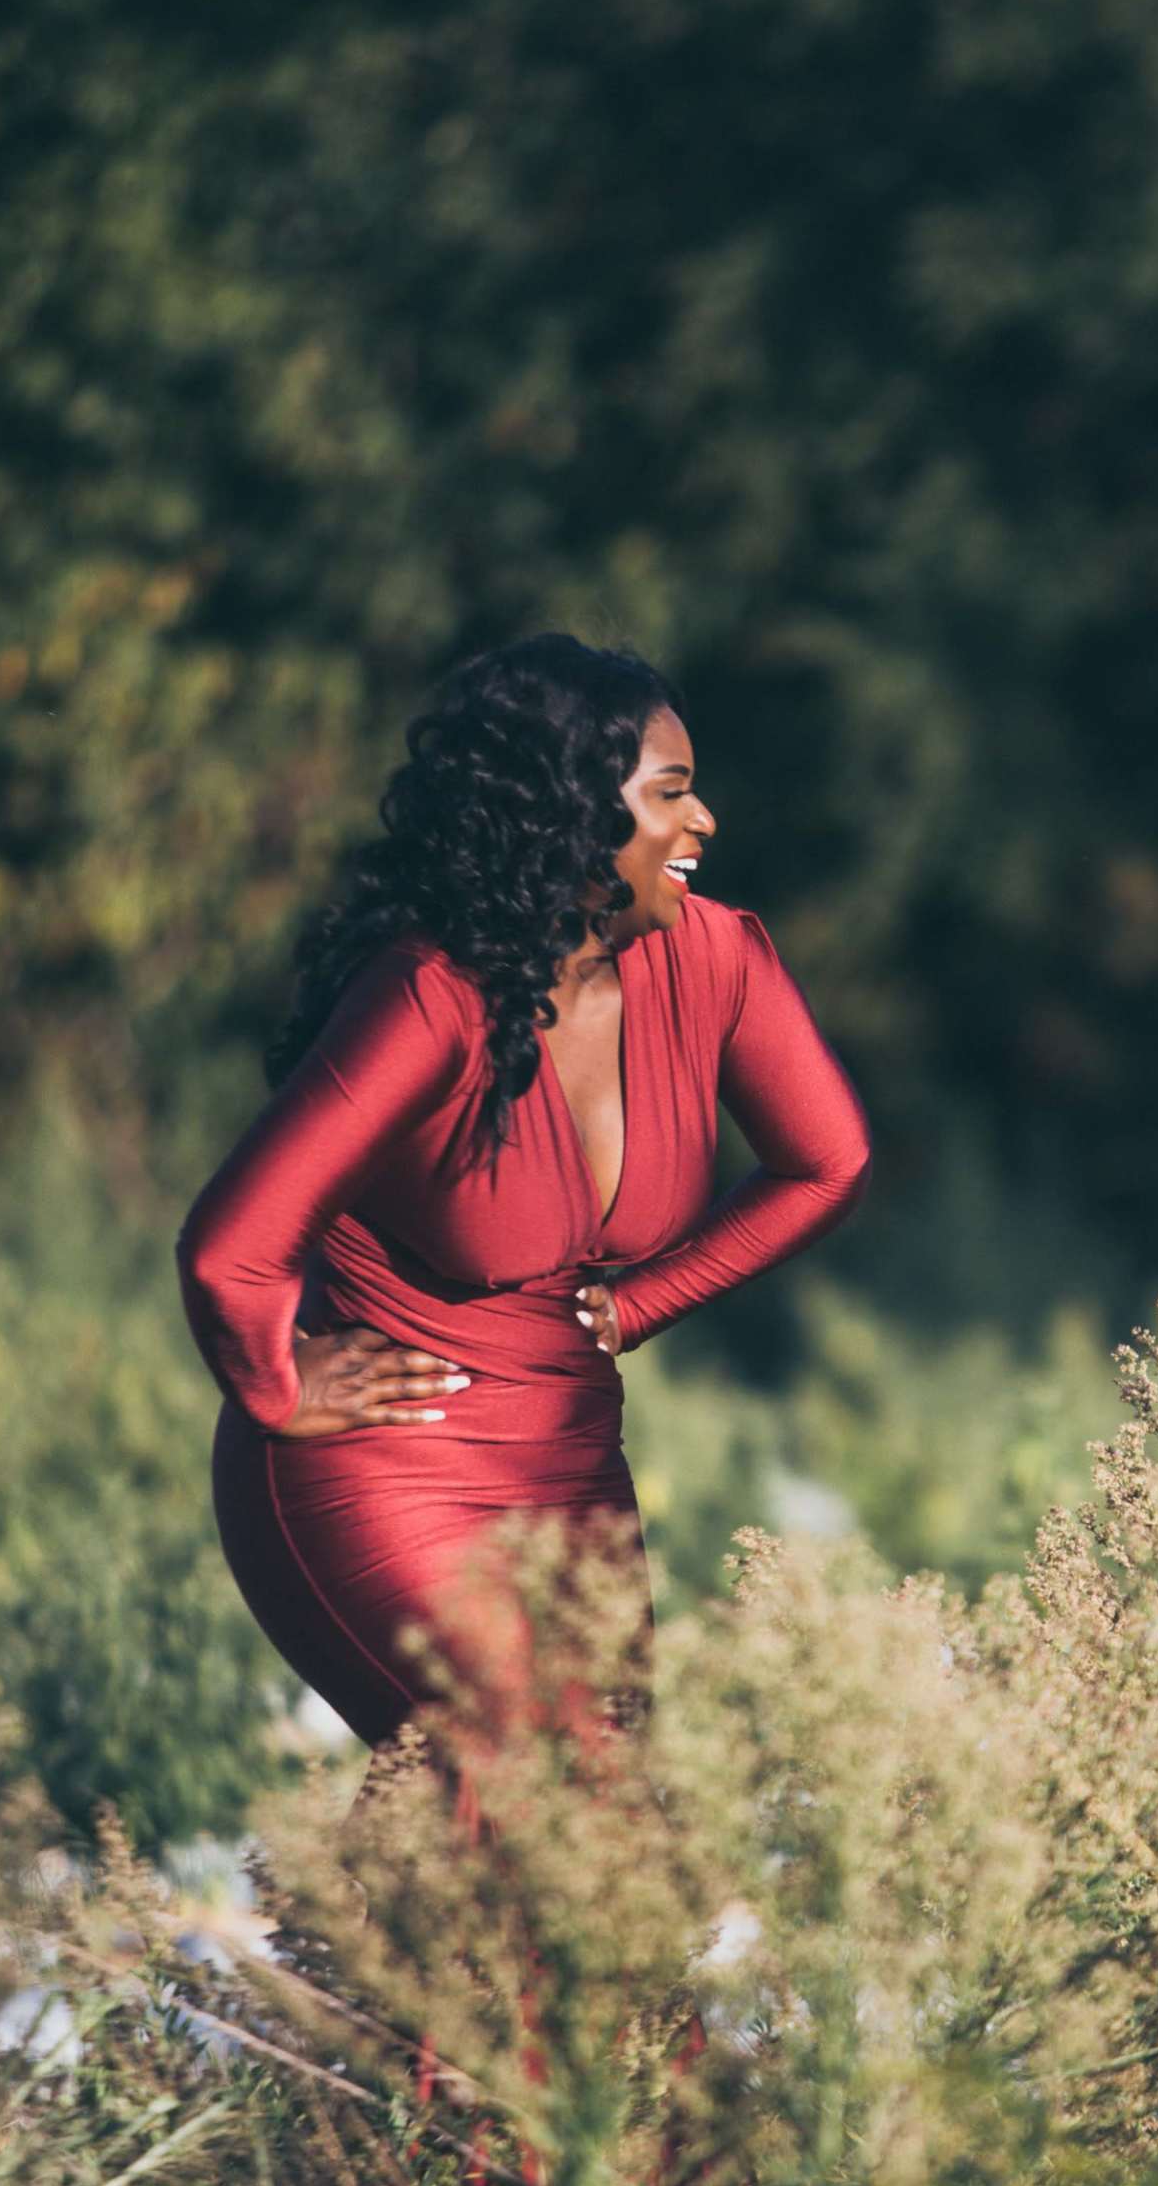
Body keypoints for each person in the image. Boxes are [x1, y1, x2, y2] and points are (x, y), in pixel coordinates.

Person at [175, 632, 872, 1754]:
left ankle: (343, 1934)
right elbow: (233, 1245)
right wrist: (276, 1387)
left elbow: (825, 1162)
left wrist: (648, 1300)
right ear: (570, 817)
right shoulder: (430, 996)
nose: (704, 824)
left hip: (571, 1465)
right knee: (505, 1760)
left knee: (600, 1842)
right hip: (383, 1458)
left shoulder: (717, 957)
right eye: (671, 794)